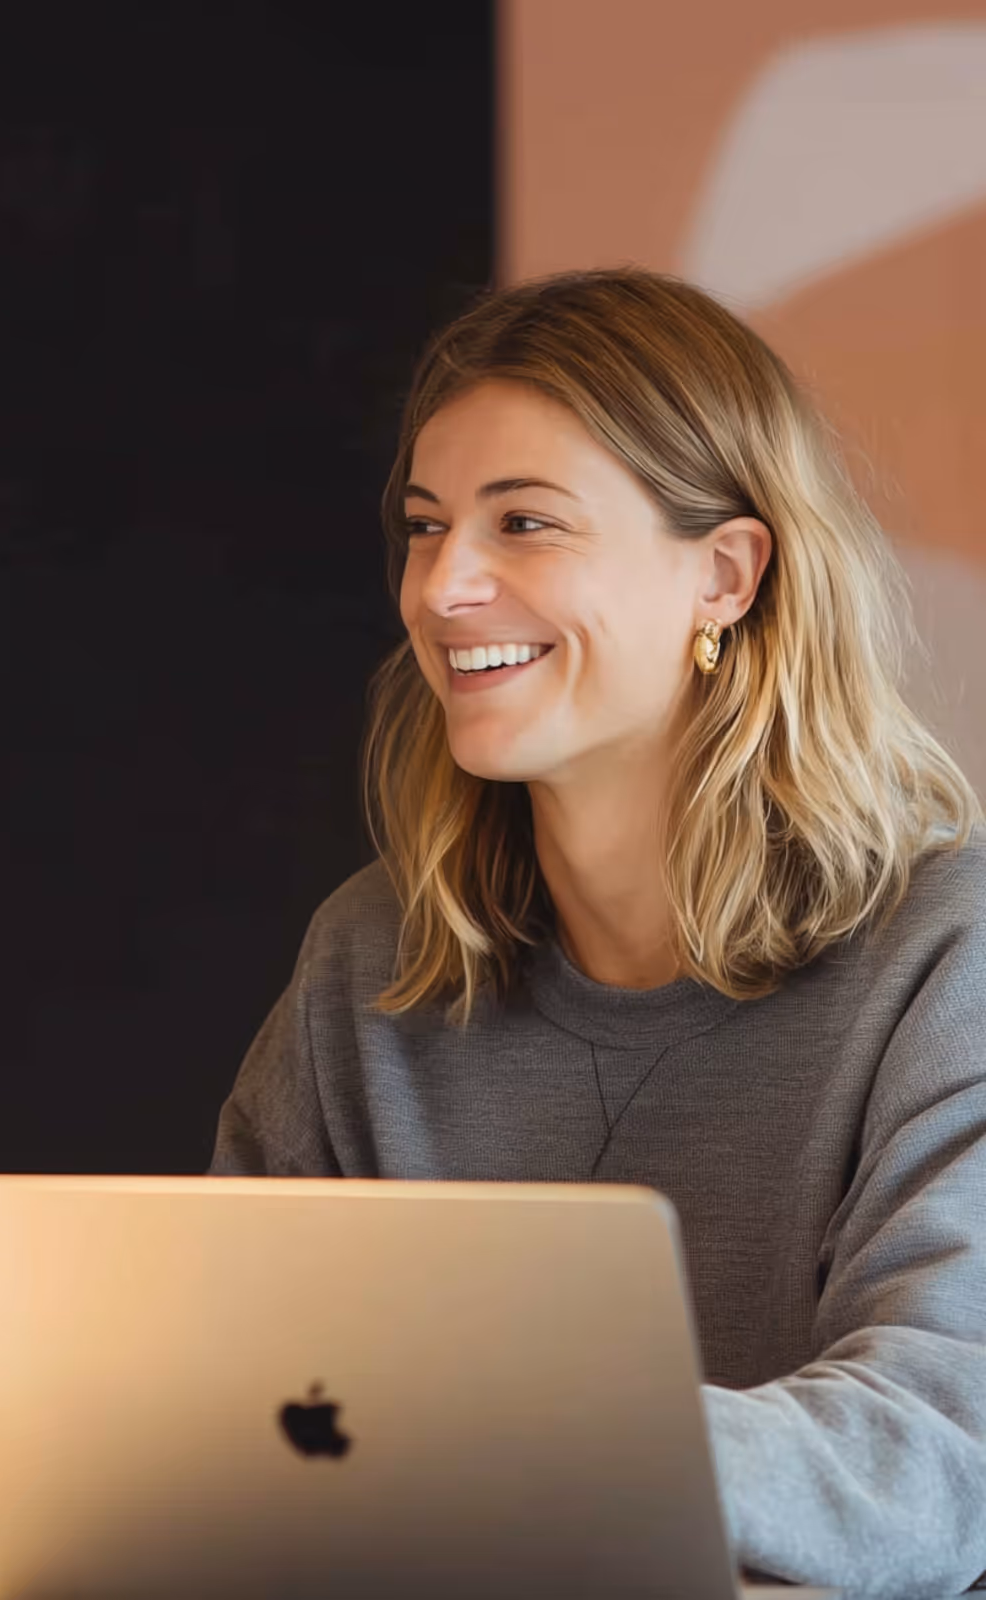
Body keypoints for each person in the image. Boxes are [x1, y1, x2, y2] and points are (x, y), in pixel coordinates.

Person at [211, 268, 986, 1598]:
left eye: (525, 523)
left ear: (726, 578)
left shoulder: (948, 953)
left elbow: (938, 1456)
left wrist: (504, 1444)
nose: (444, 587)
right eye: (426, 524)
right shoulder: (371, 958)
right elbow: (223, 1397)